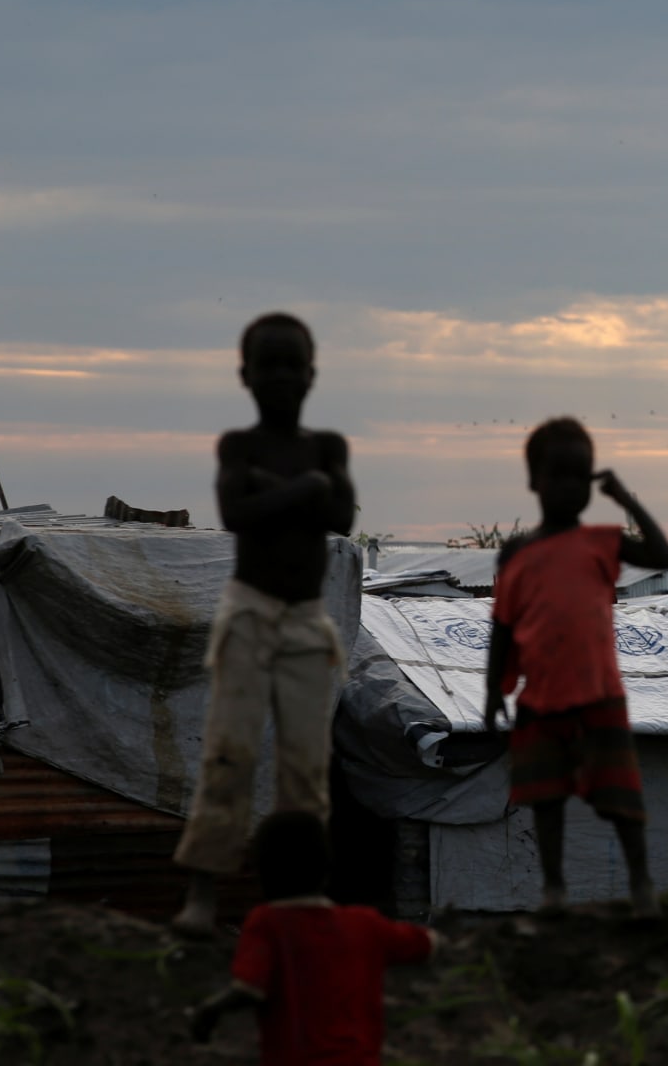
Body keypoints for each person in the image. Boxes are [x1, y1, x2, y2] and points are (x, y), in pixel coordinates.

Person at [172, 313, 354, 937]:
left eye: (291, 364)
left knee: (307, 765)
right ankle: (202, 893)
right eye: (268, 364)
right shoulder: (238, 446)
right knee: (229, 752)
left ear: (312, 375)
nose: (280, 376)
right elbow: (233, 514)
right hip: (248, 613)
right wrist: (304, 489)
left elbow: (341, 516)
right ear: (245, 376)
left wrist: (286, 486)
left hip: (306, 622)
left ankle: (299, 899)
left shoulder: (325, 448)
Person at [484, 417, 668, 917]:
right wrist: (490, 695)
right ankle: (554, 892)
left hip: (599, 696)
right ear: (533, 480)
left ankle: (641, 886)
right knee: (545, 800)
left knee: (621, 798)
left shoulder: (602, 542)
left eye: (579, 475)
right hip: (539, 699)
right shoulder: (517, 553)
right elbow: (502, 626)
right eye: (558, 474)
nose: (569, 485)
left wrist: (626, 499)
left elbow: (663, 554)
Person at [188, 811, 439, 1064]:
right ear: (327, 870)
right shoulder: (365, 923)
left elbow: (249, 988)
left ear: (261, 874)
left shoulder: (267, 923)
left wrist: (210, 1009)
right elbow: (428, 944)